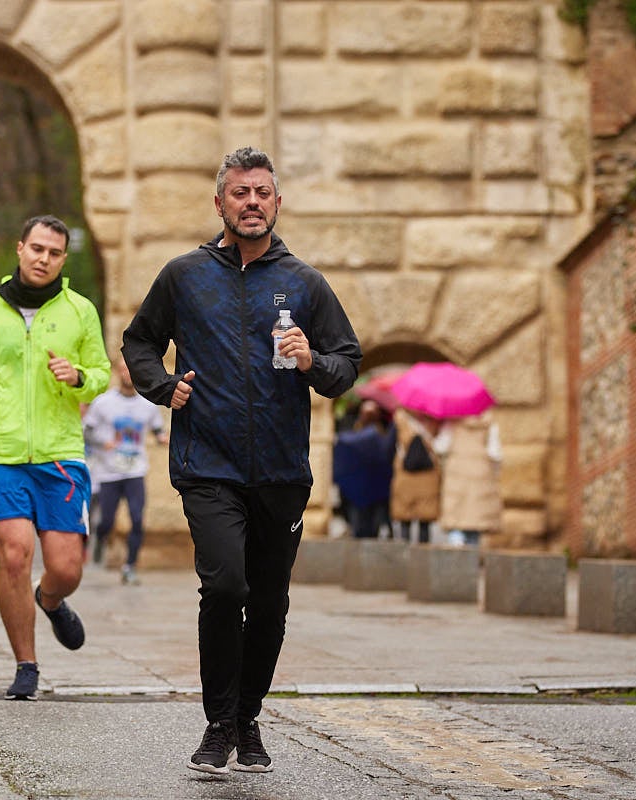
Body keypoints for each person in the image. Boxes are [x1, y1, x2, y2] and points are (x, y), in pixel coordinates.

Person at [122, 146, 362, 774]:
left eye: (262, 193)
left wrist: (313, 362)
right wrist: (160, 384)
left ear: (278, 203)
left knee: (271, 602)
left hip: (282, 470)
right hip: (208, 463)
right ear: (220, 202)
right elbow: (140, 340)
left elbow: (346, 367)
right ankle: (217, 721)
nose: (251, 202)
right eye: (239, 193)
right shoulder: (184, 275)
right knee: (225, 585)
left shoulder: (305, 284)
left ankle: (247, 719)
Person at [0, 214, 110, 701]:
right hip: (3, 455)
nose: (43, 259)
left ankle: (49, 599)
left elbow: (101, 374)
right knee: (14, 554)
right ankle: (25, 664)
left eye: (53, 253)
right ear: (20, 249)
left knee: (66, 566)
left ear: (62, 259)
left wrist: (77, 377)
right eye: (36, 249)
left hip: (60, 457)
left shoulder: (79, 311)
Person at [82, 357, 169, 583]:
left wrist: (163, 439)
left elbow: (158, 431)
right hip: (109, 472)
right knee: (107, 521)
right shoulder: (103, 403)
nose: (128, 374)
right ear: (118, 372)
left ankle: (130, 566)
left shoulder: (148, 405)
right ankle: (101, 538)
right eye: (124, 370)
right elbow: (87, 432)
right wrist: (103, 443)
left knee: (137, 518)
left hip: (135, 471)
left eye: (132, 370)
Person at [433, 411, 502, 547]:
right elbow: (496, 454)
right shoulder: (489, 424)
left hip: (456, 475)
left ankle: (457, 547)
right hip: (481, 475)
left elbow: (440, 447)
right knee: (475, 519)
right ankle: (473, 555)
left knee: (456, 518)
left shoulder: (452, 423)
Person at [333, 400, 396, 538]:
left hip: (374, 491)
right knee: (360, 529)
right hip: (359, 490)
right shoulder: (358, 434)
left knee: (371, 529)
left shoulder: (378, 436)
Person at [390, 408, 441, 543]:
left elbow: (388, 447)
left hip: (405, 476)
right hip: (428, 478)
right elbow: (442, 447)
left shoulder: (400, 422)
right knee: (425, 521)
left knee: (404, 518)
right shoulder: (434, 424)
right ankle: (423, 555)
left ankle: (405, 554)